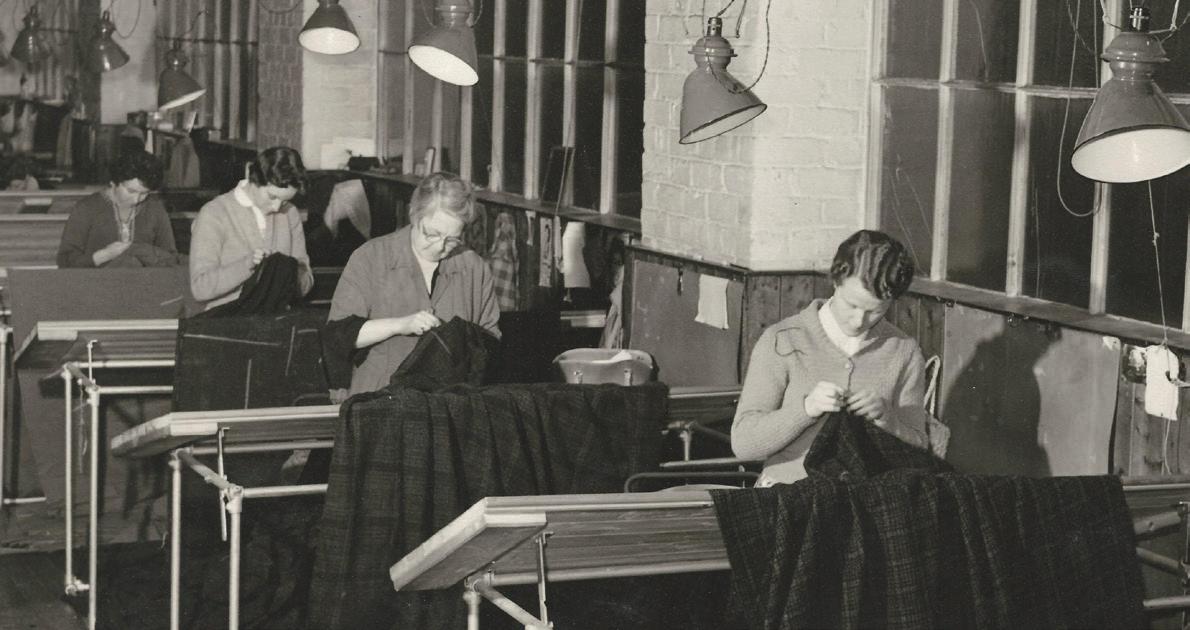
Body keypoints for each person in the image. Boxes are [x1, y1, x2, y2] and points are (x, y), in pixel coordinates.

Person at [731, 229, 930, 485]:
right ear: (835, 281)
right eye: (852, 305)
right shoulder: (782, 340)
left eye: (875, 311)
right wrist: (805, 409)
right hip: (786, 492)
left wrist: (888, 419)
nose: (858, 321)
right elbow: (744, 445)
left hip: (866, 498)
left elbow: (919, 448)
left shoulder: (904, 351)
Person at [327, 172, 501, 397]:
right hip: (379, 398)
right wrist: (400, 325)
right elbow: (339, 336)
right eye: (432, 234)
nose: (440, 246)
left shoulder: (474, 267)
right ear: (414, 216)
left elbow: (489, 342)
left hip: (449, 401)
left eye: (452, 239)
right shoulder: (371, 257)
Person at [189, 146, 313, 310]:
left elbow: (306, 280)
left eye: (284, 201)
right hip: (226, 319)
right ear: (254, 179)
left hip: (275, 318)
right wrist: (247, 265)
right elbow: (200, 288)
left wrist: (287, 273)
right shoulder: (214, 213)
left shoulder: (290, 213)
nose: (277, 207)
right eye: (272, 196)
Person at [56, 149, 182, 268]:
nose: (136, 199)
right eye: (131, 191)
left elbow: (171, 258)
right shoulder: (86, 208)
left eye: (144, 193)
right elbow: (65, 261)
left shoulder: (155, 210)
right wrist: (102, 256)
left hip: (144, 281)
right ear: (113, 183)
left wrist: (138, 250)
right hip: (95, 281)